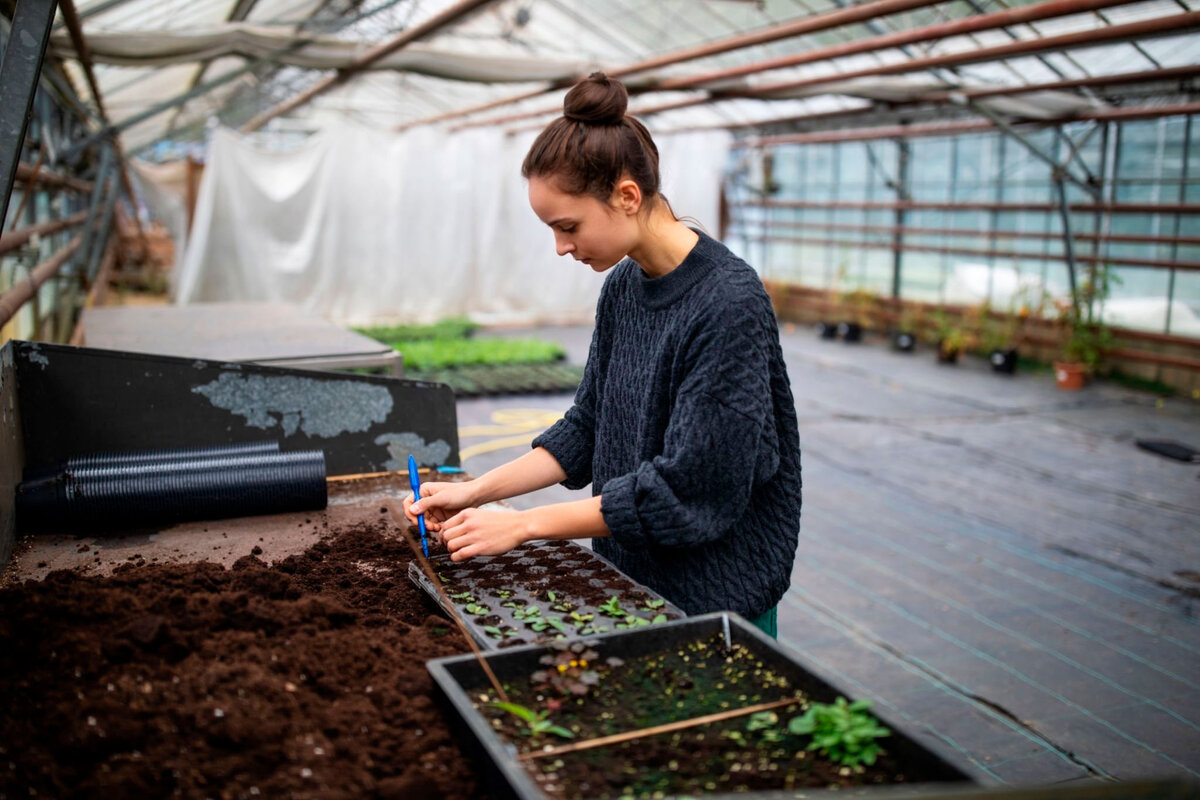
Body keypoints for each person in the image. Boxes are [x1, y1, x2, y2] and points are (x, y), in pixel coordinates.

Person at [404, 72, 801, 638]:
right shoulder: (625, 287)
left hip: (715, 601)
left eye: (568, 226)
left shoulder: (727, 304)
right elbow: (587, 429)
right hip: (629, 583)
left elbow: (691, 487)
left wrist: (526, 526)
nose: (562, 247)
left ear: (627, 196)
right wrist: (475, 490)